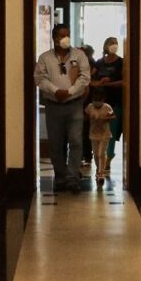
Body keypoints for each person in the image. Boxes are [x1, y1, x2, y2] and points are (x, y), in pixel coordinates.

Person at [34, 24, 91, 191]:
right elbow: (39, 78)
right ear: (54, 38)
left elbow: (85, 77)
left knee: (76, 141)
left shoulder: (79, 55)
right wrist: (55, 91)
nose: (65, 38)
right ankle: (60, 176)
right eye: (61, 35)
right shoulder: (45, 58)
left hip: (74, 104)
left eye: (68, 35)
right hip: (53, 106)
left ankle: (72, 177)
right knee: (56, 143)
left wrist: (70, 91)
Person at [92, 37, 125, 169]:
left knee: (111, 131)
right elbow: (90, 79)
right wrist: (99, 83)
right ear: (106, 46)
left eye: (115, 43)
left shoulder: (121, 62)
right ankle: (99, 156)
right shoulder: (99, 63)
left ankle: (108, 157)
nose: (114, 45)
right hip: (99, 102)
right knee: (99, 132)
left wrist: (110, 84)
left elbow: (125, 80)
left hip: (115, 102)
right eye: (111, 43)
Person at [84, 88, 115, 187]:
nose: (97, 102)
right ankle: (98, 169)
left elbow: (112, 115)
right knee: (96, 154)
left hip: (105, 134)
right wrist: (91, 118)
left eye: (99, 100)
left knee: (102, 153)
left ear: (103, 99)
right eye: (95, 100)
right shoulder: (90, 107)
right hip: (93, 134)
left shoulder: (107, 107)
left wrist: (107, 118)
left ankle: (101, 173)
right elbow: (85, 116)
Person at [79, 44, 97, 173]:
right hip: (80, 101)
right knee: (81, 131)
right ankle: (83, 156)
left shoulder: (91, 64)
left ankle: (87, 156)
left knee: (85, 131)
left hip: (88, 101)